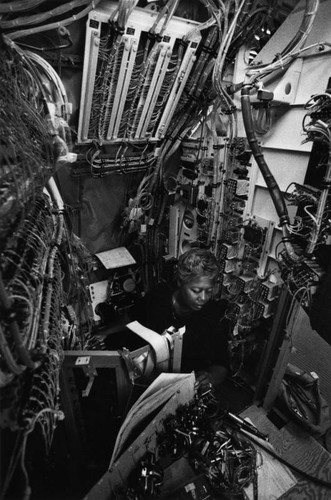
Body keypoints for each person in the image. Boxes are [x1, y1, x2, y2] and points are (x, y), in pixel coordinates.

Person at [133, 248, 230, 389]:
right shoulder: (159, 296)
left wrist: (210, 377)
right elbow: (133, 317)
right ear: (180, 282)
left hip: (183, 385)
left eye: (208, 291)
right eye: (196, 291)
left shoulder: (211, 316)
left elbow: (221, 363)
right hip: (147, 376)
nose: (203, 298)